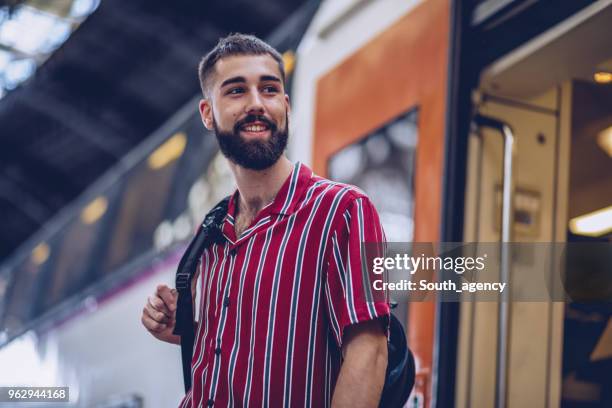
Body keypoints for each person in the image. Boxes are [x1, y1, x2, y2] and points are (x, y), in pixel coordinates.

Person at [141, 33, 390, 407]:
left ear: (286, 105)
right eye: (236, 91)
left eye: (269, 89)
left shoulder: (346, 210)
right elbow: (245, 349)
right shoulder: (212, 232)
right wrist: (188, 330)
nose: (257, 104)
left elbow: (369, 350)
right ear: (208, 113)